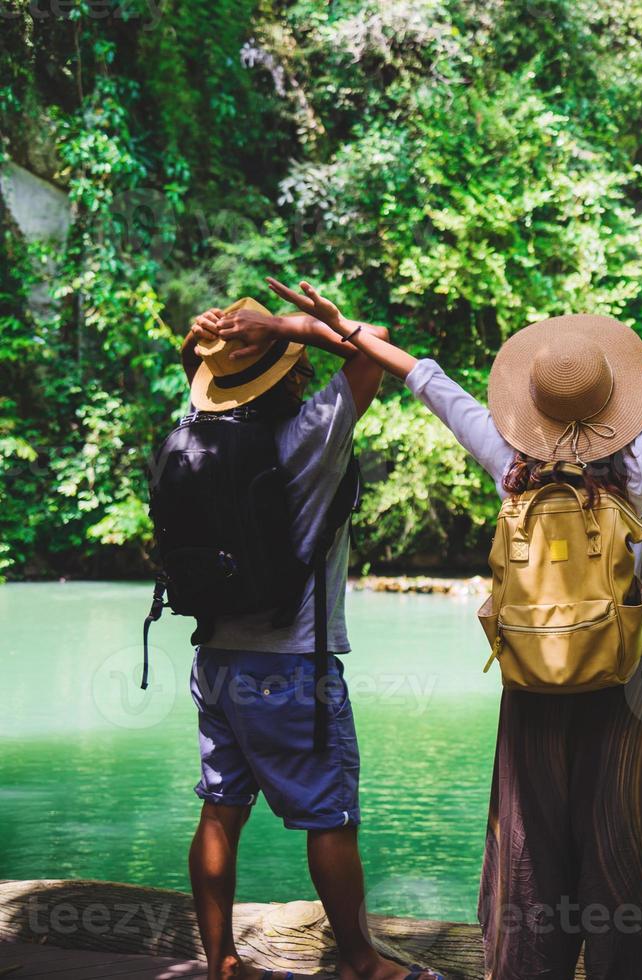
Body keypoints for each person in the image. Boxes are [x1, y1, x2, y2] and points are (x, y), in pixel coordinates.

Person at [229, 243, 642, 979]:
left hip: (532, 679)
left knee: (529, 852)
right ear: (612, 406)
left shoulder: (508, 466)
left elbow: (423, 378)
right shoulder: (637, 467)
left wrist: (327, 327)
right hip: (630, 686)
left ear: (531, 404)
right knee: (625, 852)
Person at [177, 303, 438, 980]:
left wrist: (210, 339)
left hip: (217, 659)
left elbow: (197, 368)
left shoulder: (196, 432)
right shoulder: (312, 430)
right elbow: (374, 344)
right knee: (331, 819)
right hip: (292, 663)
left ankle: (221, 963)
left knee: (220, 809)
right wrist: (290, 327)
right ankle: (363, 964)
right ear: (290, 374)